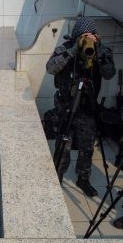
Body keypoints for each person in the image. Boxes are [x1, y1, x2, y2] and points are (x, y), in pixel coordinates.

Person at [46, 17, 116, 197]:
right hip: (66, 107)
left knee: (87, 147)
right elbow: (50, 68)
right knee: (64, 144)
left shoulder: (102, 51)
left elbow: (109, 74)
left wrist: (98, 49)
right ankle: (57, 176)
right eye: (84, 36)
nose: (88, 39)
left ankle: (83, 178)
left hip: (88, 109)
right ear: (76, 36)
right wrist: (73, 49)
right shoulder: (65, 49)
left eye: (91, 35)